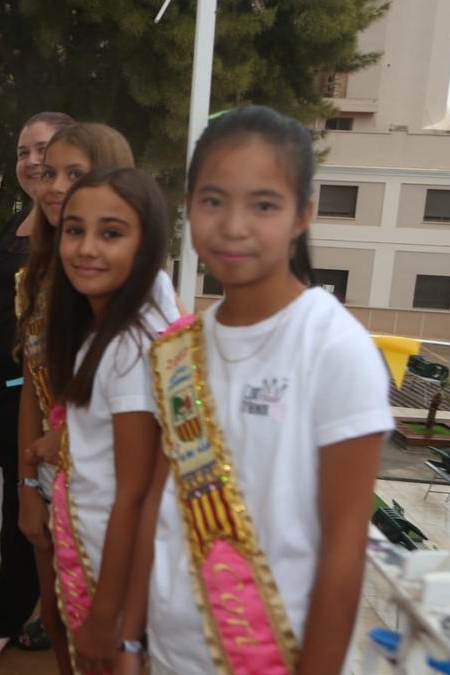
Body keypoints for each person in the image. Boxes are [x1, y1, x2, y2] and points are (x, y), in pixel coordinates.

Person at [126, 106, 393, 675]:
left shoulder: (334, 348)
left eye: (264, 204)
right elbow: (158, 502)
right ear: (189, 207)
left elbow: (346, 547)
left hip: (277, 654)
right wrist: (132, 640)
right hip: (173, 653)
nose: (234, 226)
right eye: (213, 200)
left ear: (303, 215)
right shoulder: (177, 351)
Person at [10, 123, 180, 672]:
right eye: (47, 171)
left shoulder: (132, 321)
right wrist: (27, 480)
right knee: (59, 620)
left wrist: (118, 626)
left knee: (94, 642)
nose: (53, 185)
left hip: (109, 526)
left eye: (73, 173)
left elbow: (139, 474)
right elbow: (38, 384)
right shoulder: (47, 277)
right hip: (65, 491)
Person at [0, 111, 73, 669]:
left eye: (44, 151)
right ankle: (53, 613)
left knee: (25, 514)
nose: (31, 162)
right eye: (24, 151)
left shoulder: (74, 228)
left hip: (33, 402)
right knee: (27, 509)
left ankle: (3, 620)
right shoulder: (26, 218)